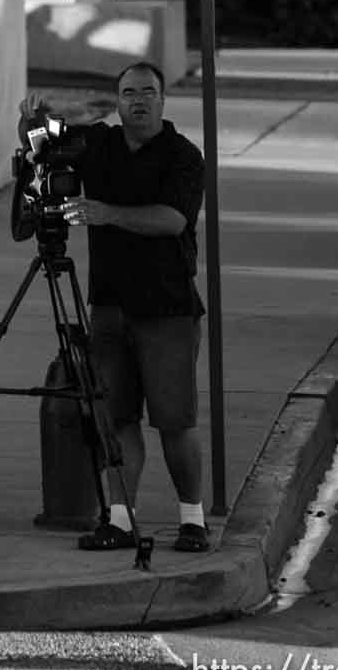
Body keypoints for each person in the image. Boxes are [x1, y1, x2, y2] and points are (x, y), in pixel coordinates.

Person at [19, 61, 210, 554]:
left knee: (174, 420)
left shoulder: (183, 157)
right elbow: (44, 141)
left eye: (148, 92)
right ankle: (122, 520)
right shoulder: (98, 143)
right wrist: (32, 121)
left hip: (167, 309)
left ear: (163, 101)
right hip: (108, 306)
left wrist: (107, 214)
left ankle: (193, 520)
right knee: (117, 418)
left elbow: (172, 220)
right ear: (118, 100)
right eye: (129, 93)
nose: (138, 101)